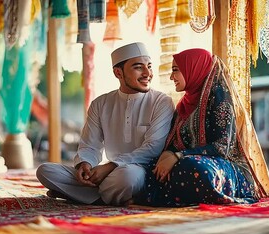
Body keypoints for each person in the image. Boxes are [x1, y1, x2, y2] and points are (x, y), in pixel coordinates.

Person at [36, 42, 175, 206]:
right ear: (118, 73)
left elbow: (153, 148)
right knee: (45, 171)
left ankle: (83, 196)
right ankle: (105, 196)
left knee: (128, 177)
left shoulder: (161, 102)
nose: (147, 73)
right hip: (107, 175)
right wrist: (85, 165)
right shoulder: (100, 103)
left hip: (138, 170)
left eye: (149, 66)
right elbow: (90, 145)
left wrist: (110, 167)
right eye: (138, 67)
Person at [135, 48, 269, 207]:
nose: (171, 76)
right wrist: (168, 154)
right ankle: (180, 196)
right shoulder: (184, 105)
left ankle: (178, 196)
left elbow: (222, 148)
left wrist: (178, 156)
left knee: (196, 168)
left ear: (193, 69)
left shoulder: (220, 97)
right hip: (190, 161)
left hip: (227, 168)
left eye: (175, 70)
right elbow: (175, 142)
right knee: (153, 165)